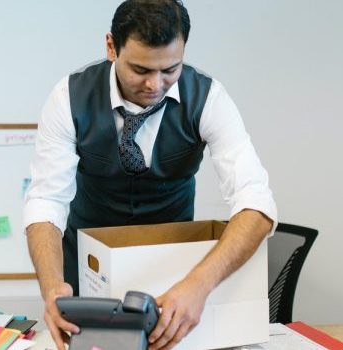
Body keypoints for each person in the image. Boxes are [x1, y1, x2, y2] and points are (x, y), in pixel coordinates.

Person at [23, 0, 277, 349]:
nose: (156, 85)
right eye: (141, 70)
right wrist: (52, 286)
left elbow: (257, 203)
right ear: (112, 46)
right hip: (86, 275)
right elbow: (46, 201)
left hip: (173, 283)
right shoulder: (68, 98)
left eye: (170, 69)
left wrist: (198, 286)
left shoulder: (209, 99)